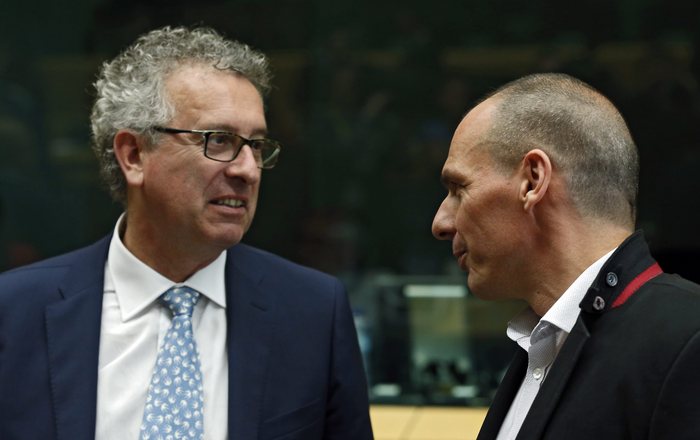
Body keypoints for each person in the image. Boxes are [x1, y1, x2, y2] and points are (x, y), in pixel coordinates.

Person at [0, 26, 373, 440]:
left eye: (256, 145)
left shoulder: (312, 313)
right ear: (134, 155)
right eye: (219, 140)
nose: (248, 170)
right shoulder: (15, 313)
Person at [432, 73, 700, 439]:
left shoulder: (687, 340)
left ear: (533, 180)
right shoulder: (544, 345)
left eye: (458, 188)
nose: (441, 223)